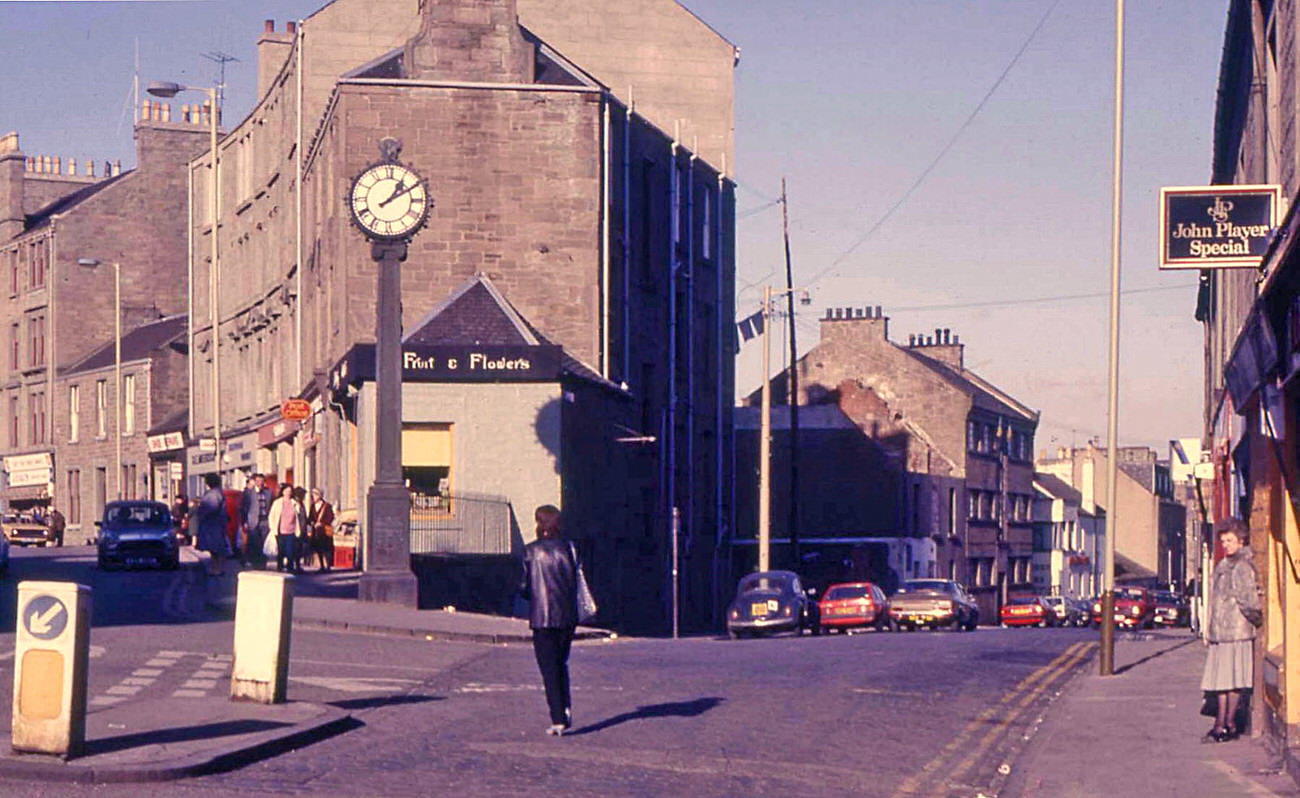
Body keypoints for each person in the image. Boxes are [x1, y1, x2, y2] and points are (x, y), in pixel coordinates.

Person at [519, 505, 581, 736]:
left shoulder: (530, 551)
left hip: (542, 617)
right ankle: (565, 707)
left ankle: (558, 719)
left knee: (548, 668)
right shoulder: (571, 548)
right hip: (567, 616)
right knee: (561, 663)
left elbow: (524, 588)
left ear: (538, 522)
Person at [1201, 520, 1261, 743]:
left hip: (1236, 632)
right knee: (1221, 682)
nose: (1226, 545)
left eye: (1230, 540)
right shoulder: (1223, 565)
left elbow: (1249, 601)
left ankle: (1228, 724)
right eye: (1223, 541)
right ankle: (1221, 722)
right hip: (1220, 633)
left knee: (1233, 681)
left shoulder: (1242, 566)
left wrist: (1256, 620)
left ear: (1241, 540)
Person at [195, 474, 232, 576]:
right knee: (214, 549)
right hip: (215, 525)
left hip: (213, 525)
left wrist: (202, 513)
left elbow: (211, 508)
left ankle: (217, 568)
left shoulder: (213, 494)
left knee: (216, 548)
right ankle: (215, 568)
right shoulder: (216, 493)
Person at [267, 483, 306, 573]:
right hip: (280, 531)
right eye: (286, 491)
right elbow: (271, 516)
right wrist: (272, 528)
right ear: (283, 492)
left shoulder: (294, 503)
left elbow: (299, 516)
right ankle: (280, 567)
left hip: (291, 530)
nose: (288, 493)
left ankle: (290, 567)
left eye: (290, 491)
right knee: (281, 550)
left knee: (290, 551)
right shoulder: (277, 503)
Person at [239, 474, 272, 568]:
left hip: (264, 520)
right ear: (255, 482)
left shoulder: (268, 493)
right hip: (253, 521)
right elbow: (243, 508)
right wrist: (244, 521)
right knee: (254, 542)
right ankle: (255, 562)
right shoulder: (249, 493)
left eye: (262, 481)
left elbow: (270, 506)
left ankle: (262, 562)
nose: (260, 483)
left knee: (263, 542)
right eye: (258, 481)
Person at [307, 487, 335, 572]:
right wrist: (311, 522)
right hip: (316, 532)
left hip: (324, 532)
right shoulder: (312, 506)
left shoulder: (327, 506)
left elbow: (330, 517)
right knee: (318, 549)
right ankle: (322, 566)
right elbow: (310, 518)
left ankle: (328, 566)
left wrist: (322, 523)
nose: (313, 497)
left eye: (315, 495)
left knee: (326, 549)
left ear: (319, 495)